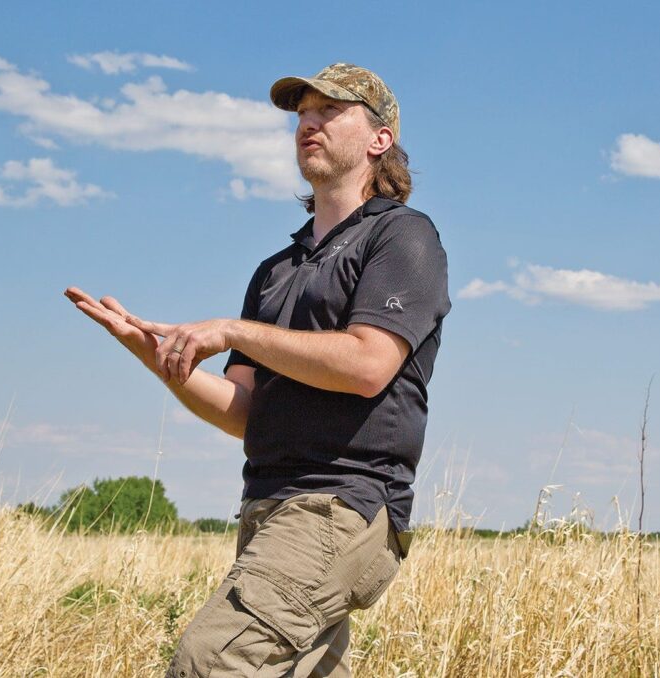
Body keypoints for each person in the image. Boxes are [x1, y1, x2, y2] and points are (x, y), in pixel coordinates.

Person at [65, 62, 451, 677]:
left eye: (331, 110)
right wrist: (161, 359)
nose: (309, 123)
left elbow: (369, 364)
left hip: (340, 505)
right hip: (267, 506)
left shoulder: (402, 238)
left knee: (210, 659)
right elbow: (245, 412)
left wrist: (233, 331)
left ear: (380, 139)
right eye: (303, 113)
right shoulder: (275, 271)